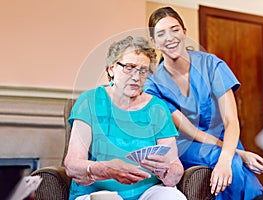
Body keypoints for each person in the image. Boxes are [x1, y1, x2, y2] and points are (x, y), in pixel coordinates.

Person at [144, 6, 263, 200]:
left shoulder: (212, 64)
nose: (169, 38)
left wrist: (230, 153)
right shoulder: (153, 84)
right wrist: (238, 155)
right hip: (188, 145)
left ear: (184, 32)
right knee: (232, 163)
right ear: (154, 41)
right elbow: (190, 131)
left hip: (225, 139)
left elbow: (231, 121)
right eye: (161, 34)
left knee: (246, 180)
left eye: (175, 29)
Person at [64, 36, 187, 200]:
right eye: (129, 67)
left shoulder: (158, 108)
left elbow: (175, 167)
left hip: (147, 192)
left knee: (172, 197)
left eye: (143, 70)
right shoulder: (89, 101)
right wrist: (106, 169)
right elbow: (72, 164)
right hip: (98, 192)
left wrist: (167, 171)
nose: (136, 77)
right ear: (111, 69)